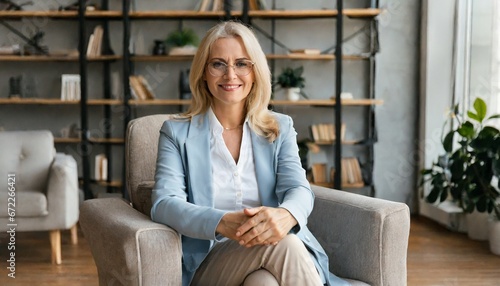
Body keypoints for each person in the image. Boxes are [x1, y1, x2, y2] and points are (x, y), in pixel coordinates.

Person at [150, 21, 349, 286]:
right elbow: (164, 204)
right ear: (203, 73)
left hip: (270, 255)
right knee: (284, 243)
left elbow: (299, 189)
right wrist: (221, 222)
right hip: (210, 262)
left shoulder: (280, 127)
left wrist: (286, 215)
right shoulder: (177, 133)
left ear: (255, 72)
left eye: (242, 63)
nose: (230, 75)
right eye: (218, 64)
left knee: (263, 283)